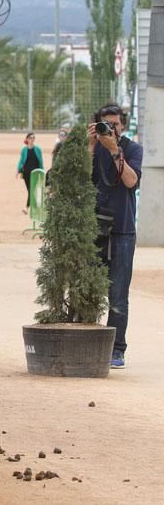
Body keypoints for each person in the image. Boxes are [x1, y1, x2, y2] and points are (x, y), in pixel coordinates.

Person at [89, 104, 142, 369]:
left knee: (118, 293)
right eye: (105, 124)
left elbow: (131, 181)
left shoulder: (132, 149)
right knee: (87, 288)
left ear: (123, 125)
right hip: (93, 228)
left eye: (115, 124)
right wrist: (89, 146)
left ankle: (116, 349)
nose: (111, 129)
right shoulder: (93, 148)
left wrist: (113, 150)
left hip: (121, 230)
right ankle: (86, 342)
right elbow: (78, 180)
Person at [16, 132, 44, 213]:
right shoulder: (24, 150)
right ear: (27, 139)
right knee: (30, 190)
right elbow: (21, 161)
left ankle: (26, 207)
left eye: (33, 138)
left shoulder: (38, 149)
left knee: (32, 190)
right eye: (30, 138)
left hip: (36, 173)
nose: (32, 139)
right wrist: (18, 170)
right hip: (26, 174)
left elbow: (41, 161)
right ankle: (33, 207)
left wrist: (42, 172)